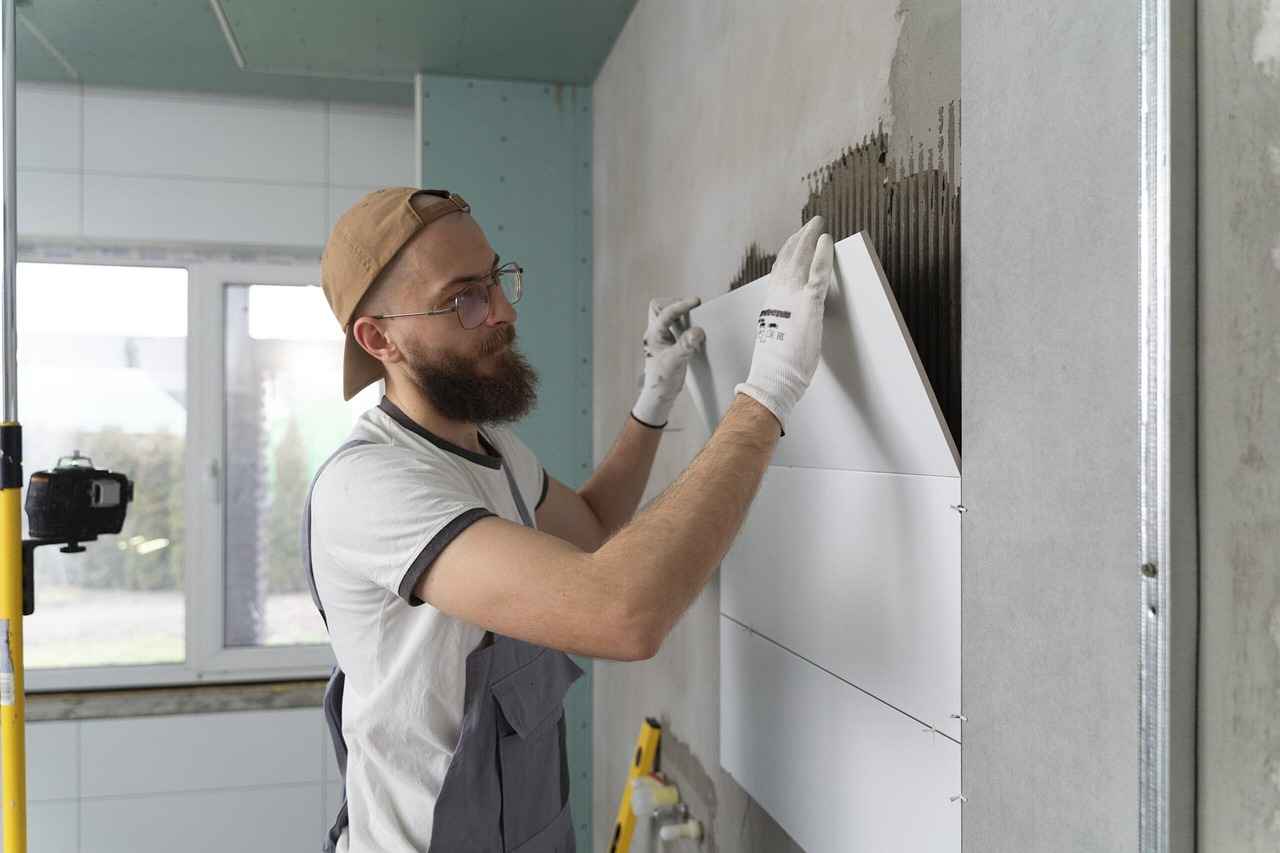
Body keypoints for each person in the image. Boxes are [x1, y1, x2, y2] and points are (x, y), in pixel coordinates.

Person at [305, 187, 834, 852]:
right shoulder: (369, 486)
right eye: (464, 299)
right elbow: (620, 613)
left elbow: (592, 526)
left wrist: (653, 399)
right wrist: (766, 395)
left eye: (497, 279)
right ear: (379, 338)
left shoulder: (491, 451)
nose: (503, 311)